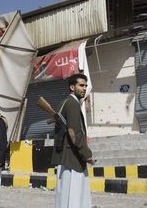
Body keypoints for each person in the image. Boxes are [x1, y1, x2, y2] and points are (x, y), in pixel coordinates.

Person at [51, 73, 95, 208]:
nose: (84, 88)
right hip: (72, 158)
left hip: (65, 157)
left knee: (64, 196)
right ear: (72, 87)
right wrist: (87, 154)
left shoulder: (65, 102)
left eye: (86, 86)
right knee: (75, 197)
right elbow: (73, 132)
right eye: (81, 85)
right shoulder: (72, 103)